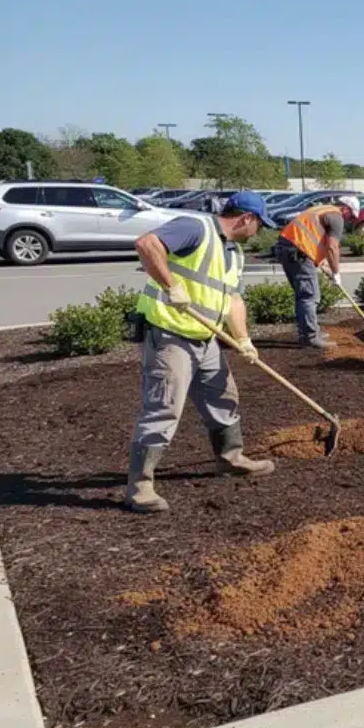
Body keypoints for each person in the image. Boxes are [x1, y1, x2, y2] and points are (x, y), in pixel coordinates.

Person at [127, 191, 277, 514]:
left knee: (224, 396)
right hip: (171, 336)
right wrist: (171, 286)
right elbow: (146, 244)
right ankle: (140, 486)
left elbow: (233, 300)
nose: (258, 232)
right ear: (246, 219)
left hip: (206, 339)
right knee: (164, 407)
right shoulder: (196, 228)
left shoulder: (234, 253)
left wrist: (245, 340)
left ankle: (231, 458)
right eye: (259, 225)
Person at [273, 195, 360, 348]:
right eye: (351, 216)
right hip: (298, 253)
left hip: (288, 249)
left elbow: (316, 242)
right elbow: (333, 247)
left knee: (304, 296)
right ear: (345, 208)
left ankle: (310, 331)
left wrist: (327, 268)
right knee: (309, 296)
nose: (349, 220)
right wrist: (336, 273)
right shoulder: (336, 217)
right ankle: (310, 337)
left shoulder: (321, 209)